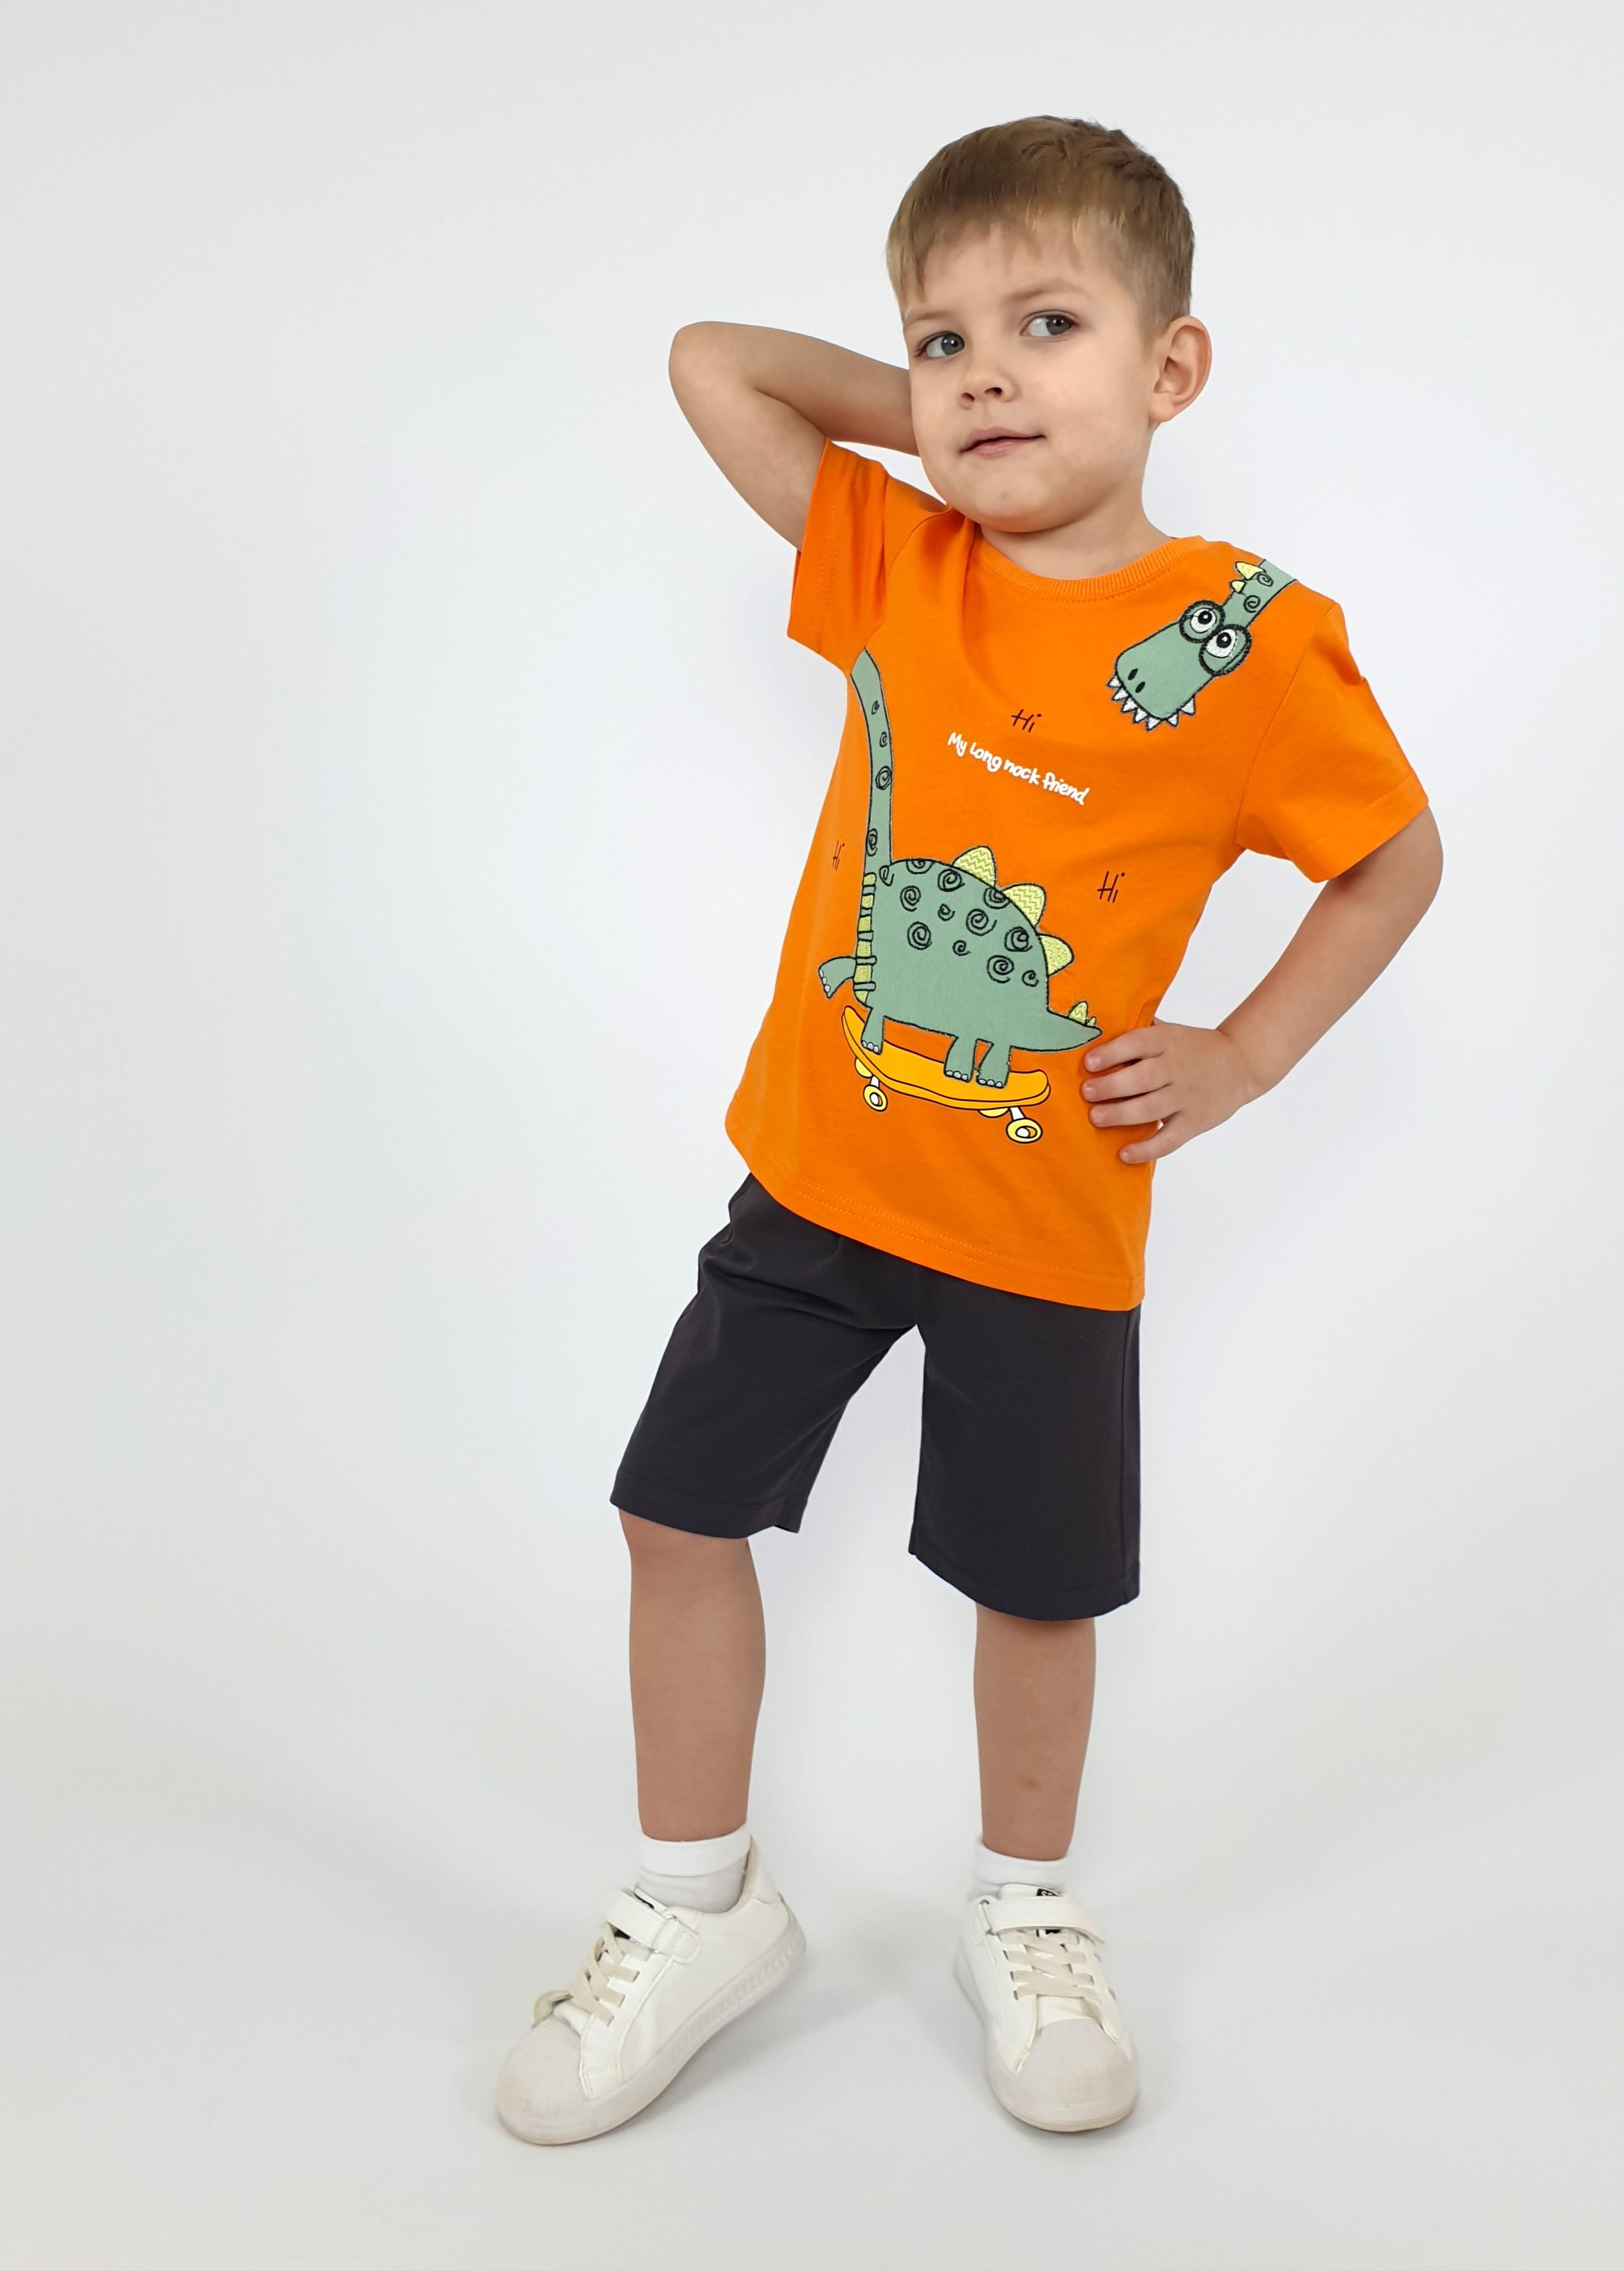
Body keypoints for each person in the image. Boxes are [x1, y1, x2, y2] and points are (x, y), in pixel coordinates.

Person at [495, 114, 1442, 2142]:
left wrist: (1245, 1056)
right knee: (677, 1511)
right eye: (945, 341)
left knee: (1038, 1587)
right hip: (825, 1178)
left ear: (1174, 369)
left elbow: (1394, 861)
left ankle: (1023, 1909)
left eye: (1047, 327)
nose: (986, 375)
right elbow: (712, 363)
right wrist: (945, 424)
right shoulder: (898, 557)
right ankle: (697, 1904)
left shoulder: (1252, 639)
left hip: (1051, 1219)